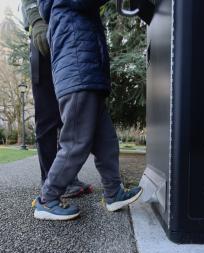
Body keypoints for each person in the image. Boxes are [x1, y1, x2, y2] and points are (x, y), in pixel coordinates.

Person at [32, 0, 143, 221]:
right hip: (78, 76)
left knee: (106, 141)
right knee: (75, 143)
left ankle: (114, 193)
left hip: (88, 74)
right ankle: (47, 199)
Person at [21, 0, 93, 198]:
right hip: (42, 42)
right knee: (47, 117)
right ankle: (49, 182)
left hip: (68, 39)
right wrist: (36, 21)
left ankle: (67, 178)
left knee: (67, 116)